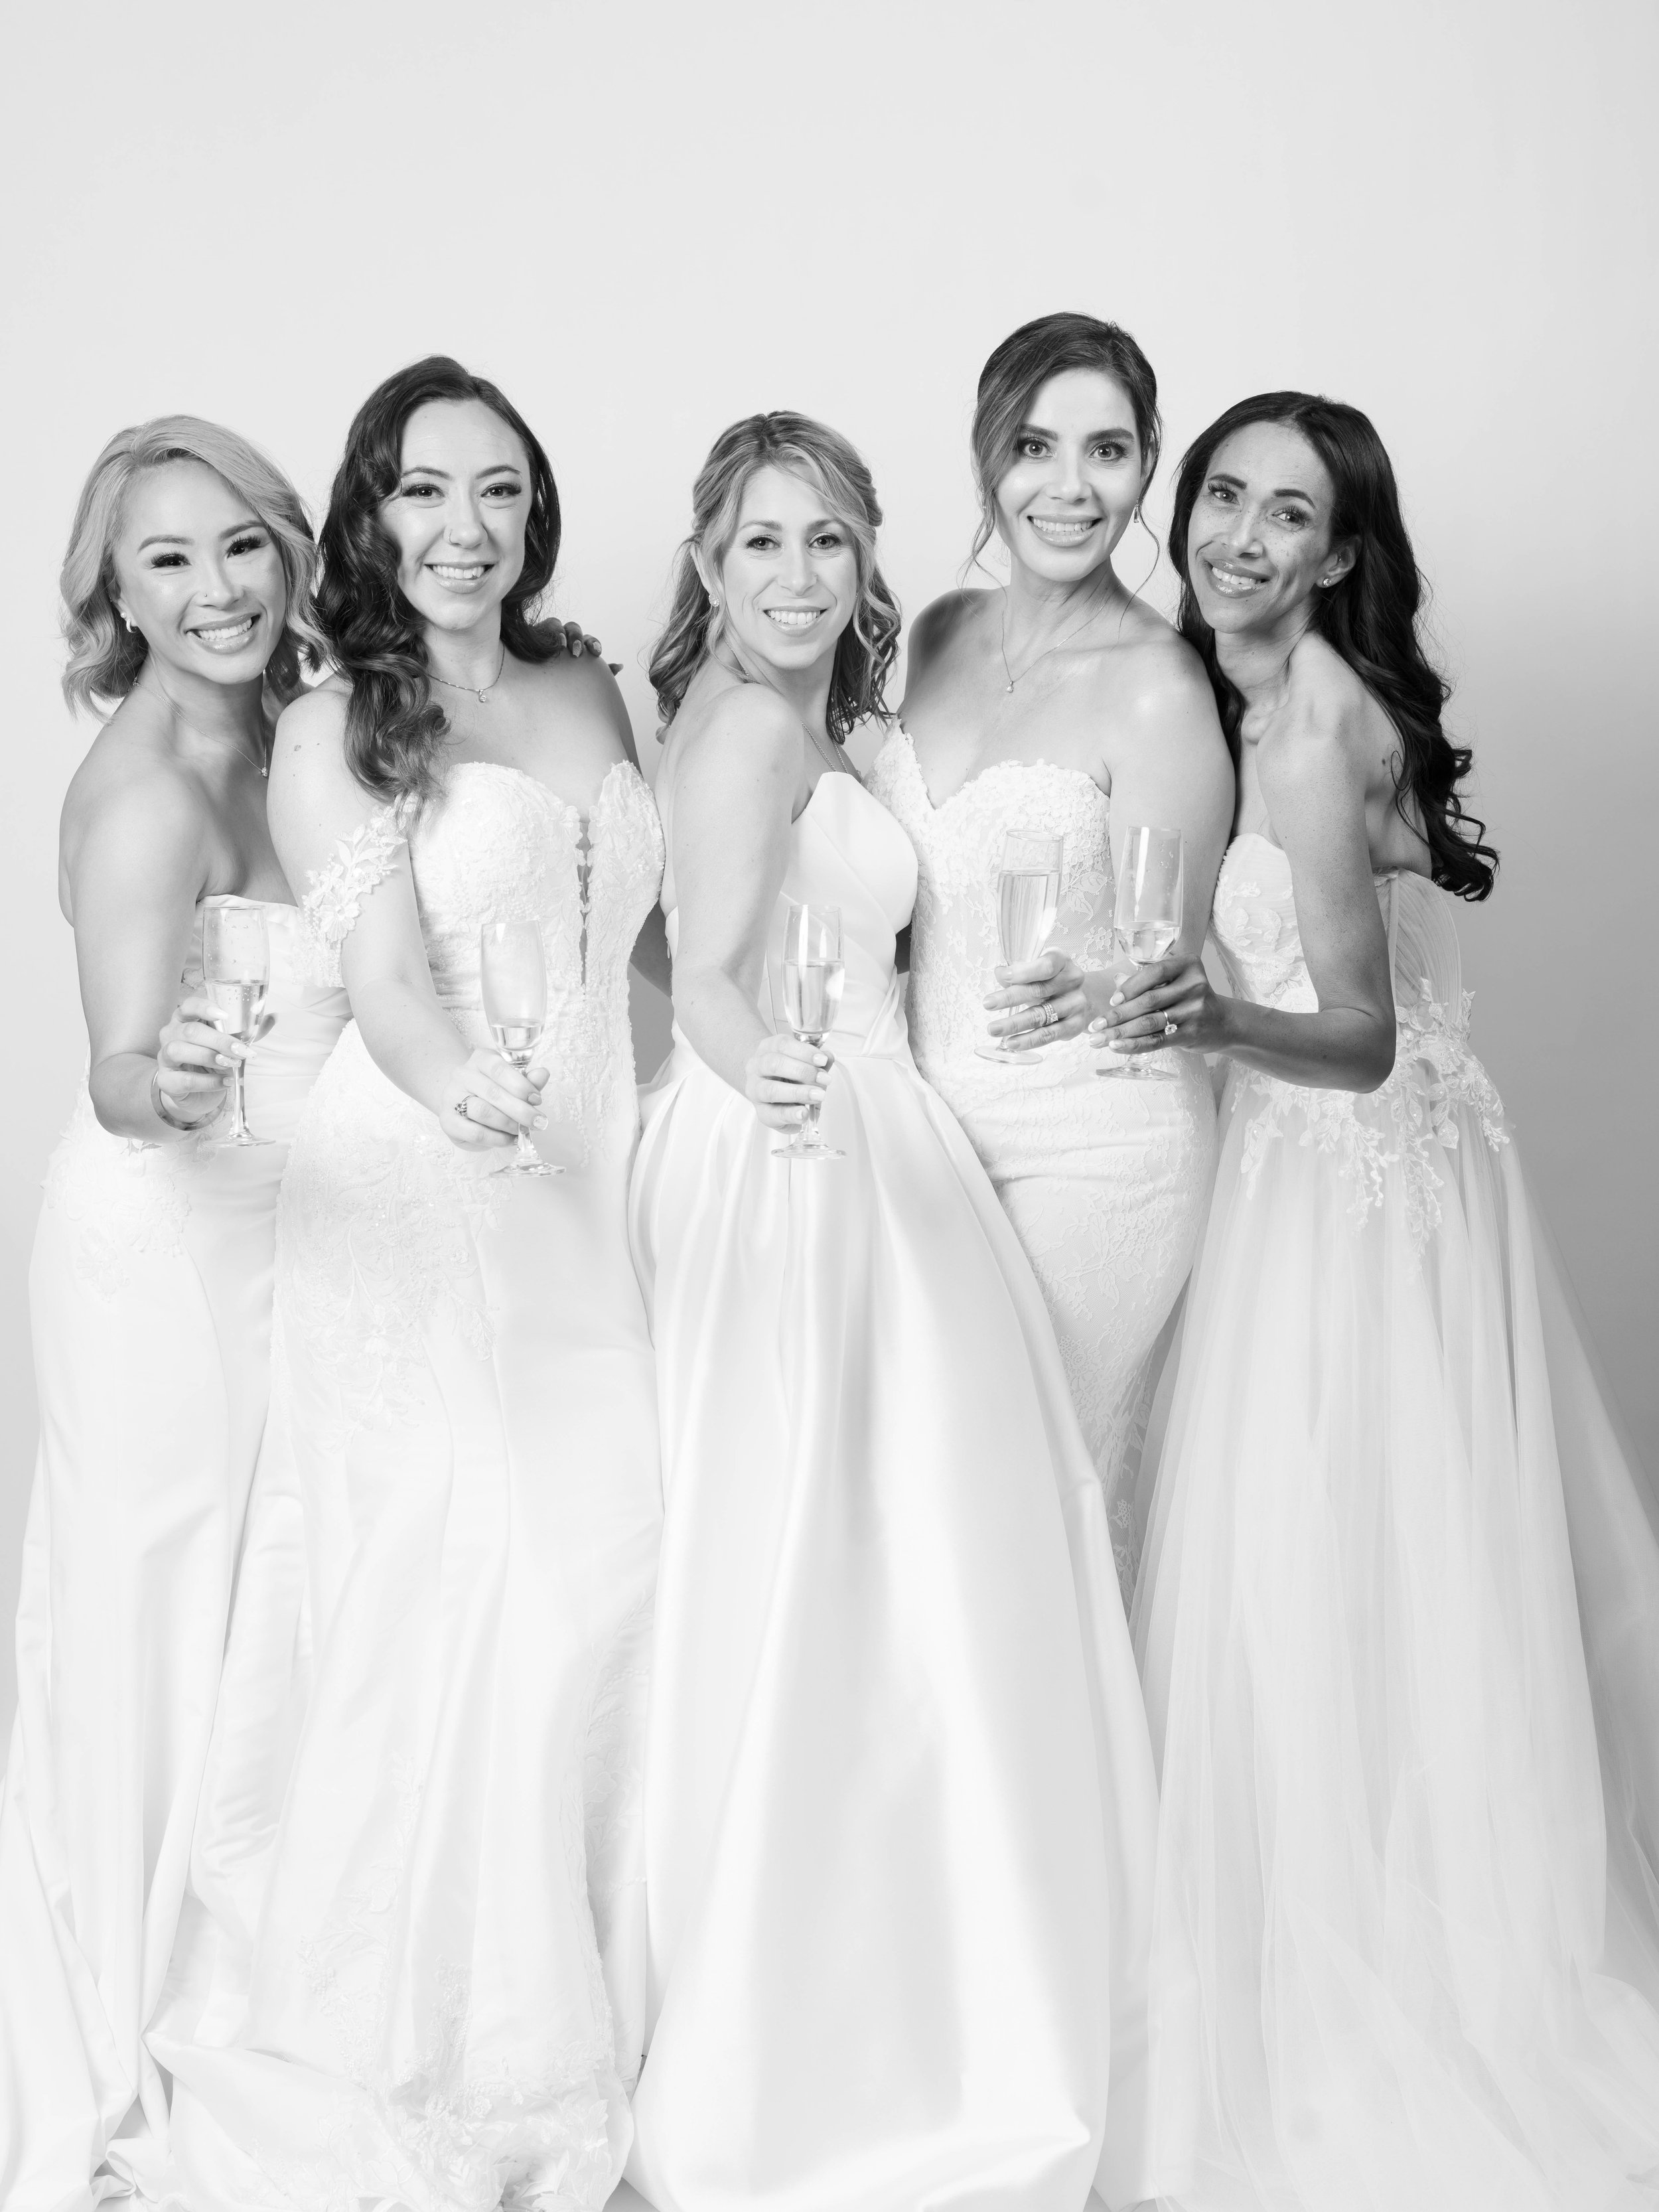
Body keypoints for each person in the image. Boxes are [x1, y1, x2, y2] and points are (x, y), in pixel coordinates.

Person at [1104, 391, 1659, 2208]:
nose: (1241, 538)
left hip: (1344, 1190)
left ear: (1341, 553)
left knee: (1316, 1577)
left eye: (1289, 517)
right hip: (1334, 1177)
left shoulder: (1311, 725)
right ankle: (1289, 1951)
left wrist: (1202, 1015)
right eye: (1223, 500)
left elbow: (1348, 1035)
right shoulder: (1229, 696)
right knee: (1327, 1584)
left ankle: (1347, 2002)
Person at [625, 411, 1162, 2212]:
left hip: (880, 1132)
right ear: (708, 564)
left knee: (915, 1567)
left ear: (867, 564)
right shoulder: (741, 723)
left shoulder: (836, 723)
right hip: (796, 1146)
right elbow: (694, 971)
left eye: (827, 544)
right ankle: (825, 2027)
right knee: (813, 1565)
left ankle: (928, 1986)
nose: (794, 575)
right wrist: (762, 1075)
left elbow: (730, 926)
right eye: (759, 542)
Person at [157, 357, 667, 2210]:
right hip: (425, 1176)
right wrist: (471, 1095)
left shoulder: (584, 682)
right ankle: (454, 2041)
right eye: (428, 492)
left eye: (503, 491)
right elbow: (377, 978)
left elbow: (651, 946)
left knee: (624, 1564)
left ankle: (625, 1984)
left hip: (592, 1168)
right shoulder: (330, 721)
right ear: (370, 515)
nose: (468, 528)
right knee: (482, 1577)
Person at [0, 418, 352, 2208]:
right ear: (111, 594)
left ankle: (229, 1988)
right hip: (160, 1242)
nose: (213, 590)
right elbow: (123, 1073)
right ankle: (108, 2032)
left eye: (240, 547)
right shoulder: (139, 789)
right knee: (151, 1610)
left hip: (292, 1238)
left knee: (258, 1611)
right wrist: (189, 1090)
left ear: (288, 552)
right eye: (165, 560)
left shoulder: (300, 738)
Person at [869, 312, 1231, 1594]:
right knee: (912, 1498)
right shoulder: (937, 635)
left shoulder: (1160, 688)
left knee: (1018, 1509)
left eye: (1109, 451)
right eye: (1035, 446)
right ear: (987, 458)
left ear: (1145, 469)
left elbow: (1169, 965)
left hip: (1099, 1150)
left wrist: (1100, 986)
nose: (1070, 487)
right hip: (925, 1140)